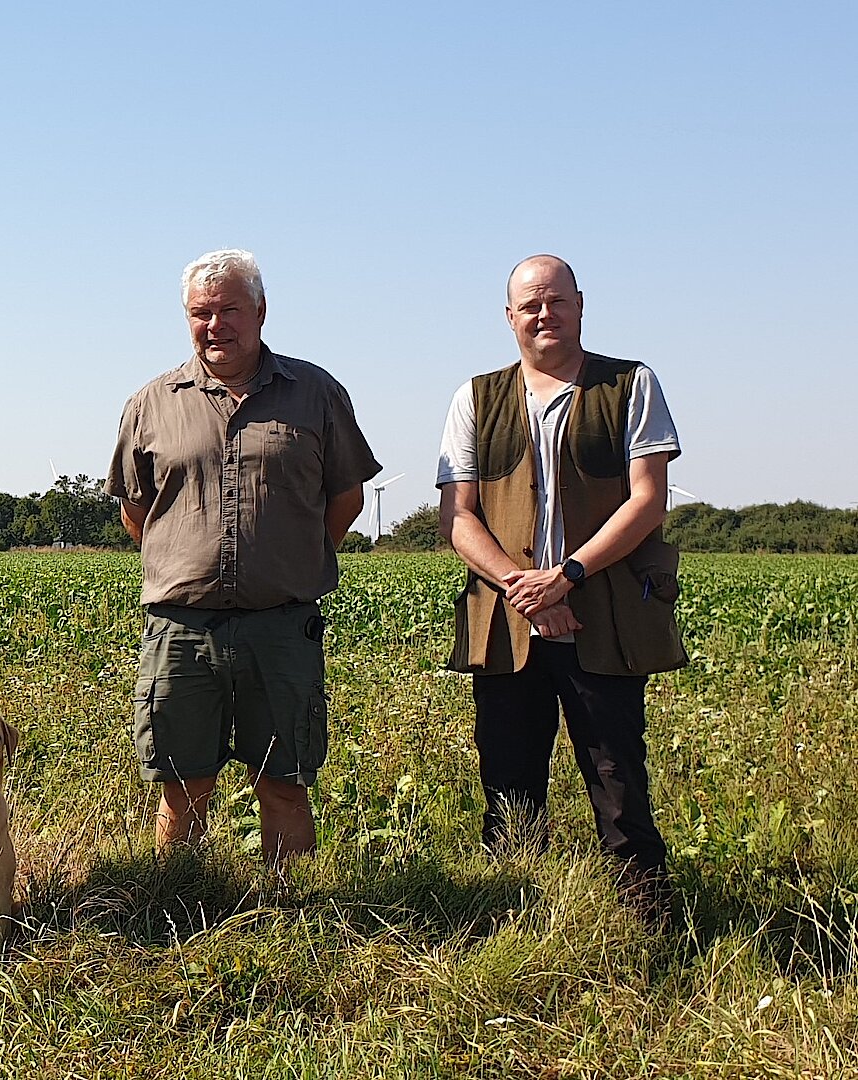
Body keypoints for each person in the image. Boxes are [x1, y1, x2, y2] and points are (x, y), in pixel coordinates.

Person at [105, 249, 379, 865]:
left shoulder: (315, 393)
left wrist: (289, 558)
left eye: (229, 309)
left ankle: (287, 906)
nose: (215, 325)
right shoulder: (151, 403)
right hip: (181, 627)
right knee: (181, 786)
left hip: (281, 625)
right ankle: (181, 901)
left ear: (260, 311)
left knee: (283, 783)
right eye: (201, 313)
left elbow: (346, 497)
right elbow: (136, 512)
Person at [437, 254, 684, 919]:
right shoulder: (476, 397)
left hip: (604, 618)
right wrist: (524, 589)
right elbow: (457, 515)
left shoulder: (630, 384)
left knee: (618, 781)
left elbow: (647, 501)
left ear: (580, 305)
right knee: (508, 784)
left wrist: (566, 576)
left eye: (556, 301)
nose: (544, 314)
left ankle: (648, 926)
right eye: (530, 305)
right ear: (509, 316)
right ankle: (511, 919)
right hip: (508, 624)